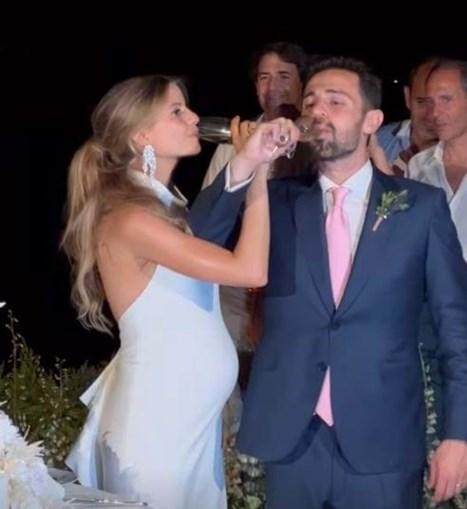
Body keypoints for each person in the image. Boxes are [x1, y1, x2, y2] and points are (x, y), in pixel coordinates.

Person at [189, 56, 467, 508]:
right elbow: (199, 242)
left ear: (371, 121)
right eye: (311, 102)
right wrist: (248, 160)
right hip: (290, 440)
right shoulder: (275, 202)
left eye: (336, 102)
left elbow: (456, 327)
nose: (318, 111)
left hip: (383, 440)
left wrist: (459, 434)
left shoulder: (420, 207)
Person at [62, 74, 298, 509]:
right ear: (141, 136)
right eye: (176, 111)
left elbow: (206, 221)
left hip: (184, 421)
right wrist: (261, 172)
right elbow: (249, 270)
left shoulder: (165, 207)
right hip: (157, 426)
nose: (193, 117)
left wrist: (249, 158)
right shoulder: (131, 219)